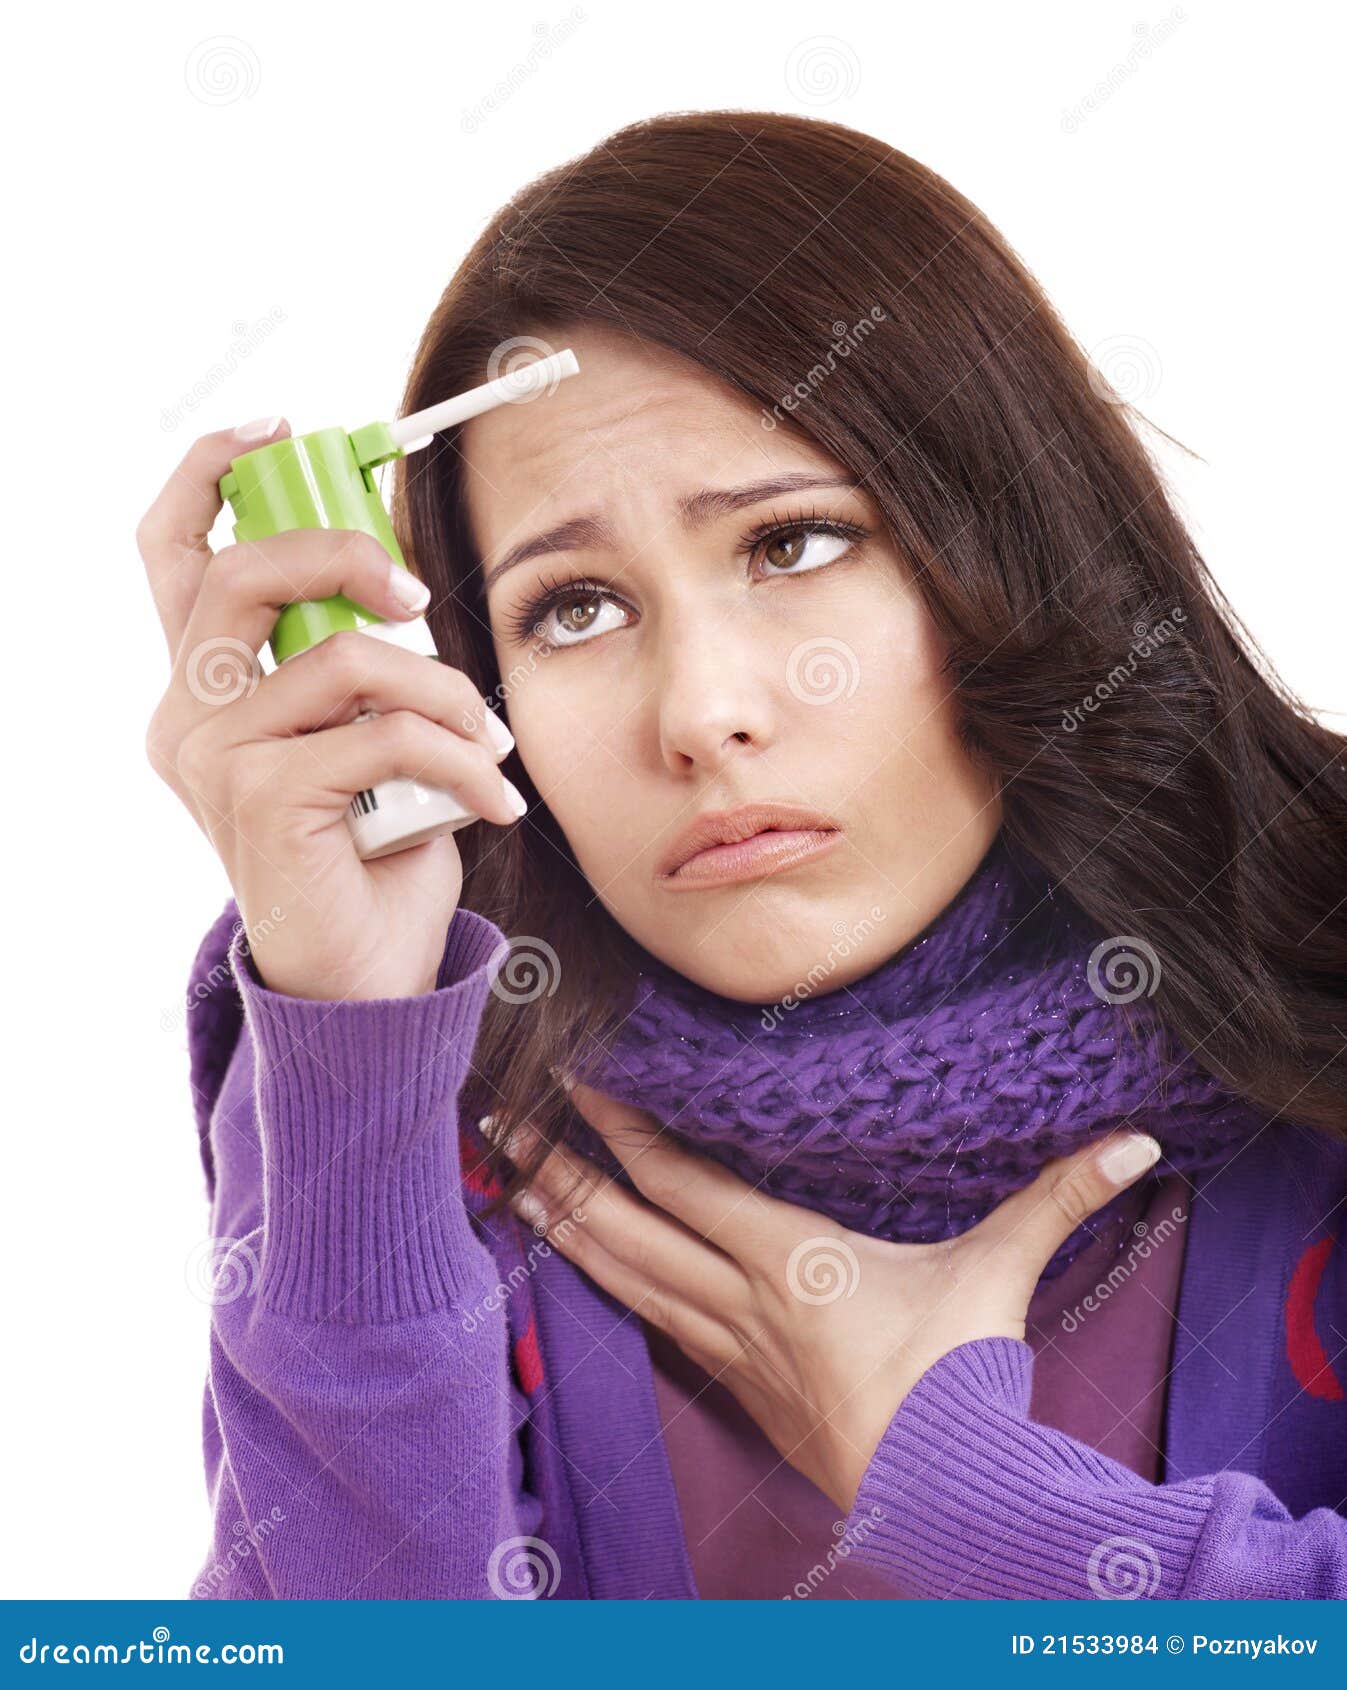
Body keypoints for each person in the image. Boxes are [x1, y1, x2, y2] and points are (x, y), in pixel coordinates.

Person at [140, 111, 1347, 1600]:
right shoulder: (445, 1098)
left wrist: (964, 1488)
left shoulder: (1324, 969)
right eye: (573, 607)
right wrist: (353, 1041)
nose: (705, 716)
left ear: (1010, 545)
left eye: (791, 545)